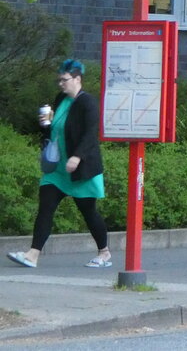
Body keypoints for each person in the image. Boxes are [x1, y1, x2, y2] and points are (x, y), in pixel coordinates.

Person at [6, 58, 112, 269]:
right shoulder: (61, 99)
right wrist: (45, 124)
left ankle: (104, 252)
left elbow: (91, 134)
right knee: (45, 208)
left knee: (88, 211)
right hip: (57, 169)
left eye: (64, 80)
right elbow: (55, 129)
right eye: (59, 80)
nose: (61, 84)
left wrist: (77, 157)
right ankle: (32, 255)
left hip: (81, 170)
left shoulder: (87, 103)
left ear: (77, 79)